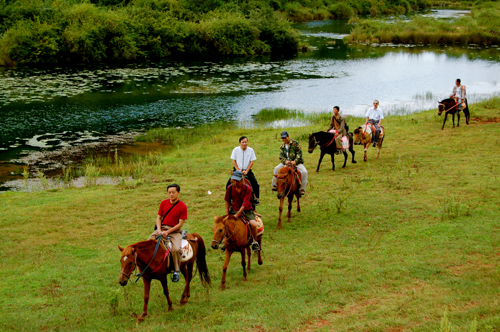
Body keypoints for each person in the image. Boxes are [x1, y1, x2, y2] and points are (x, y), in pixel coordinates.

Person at [149, 183, 187, 283]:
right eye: (169, 192)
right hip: (162, 228)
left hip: (175, 231)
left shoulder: (183, 206)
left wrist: (168, 232)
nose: (171, 194)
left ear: (178, 193)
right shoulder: (163, 203)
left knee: (175, 249)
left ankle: (176, 271)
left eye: (173, 192)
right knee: (148, 243)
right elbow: (159, 217)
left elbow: (180, 224)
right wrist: (159, 229)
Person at [225, 170, 260, 251]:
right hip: (234, 209)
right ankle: (225, 242)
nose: (236, 182)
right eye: (234, 180)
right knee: (225, 224)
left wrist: (237, 215)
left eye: (237, 180)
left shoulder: (248, 189)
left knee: (254, 224)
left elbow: (245, 204)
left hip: (247, 210)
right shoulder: (229, 188)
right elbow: (227, 200)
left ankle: (254, 242)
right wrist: (227, 213)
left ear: (242, 180)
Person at [271, 131, 308, 196]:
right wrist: (285, 161)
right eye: (282, 138)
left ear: (288, 136)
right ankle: (275, 185)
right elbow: (281, 156)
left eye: (285, 137)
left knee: (304, 172)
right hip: (286, 163)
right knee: (276, 168)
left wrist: (295, 161)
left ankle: (302, 188)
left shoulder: (295, 143)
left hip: (296, 163)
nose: (284, 139)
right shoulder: (282, 146)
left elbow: (299, 153)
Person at [226, 136, 260, 206]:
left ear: (247, 142)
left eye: (245, 142)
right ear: (239, 143)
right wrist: (238, 170)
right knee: (228, 184)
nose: (244, 143)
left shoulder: (251, 150)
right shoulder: (235, 150)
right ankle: (229, 198)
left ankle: (256, 198)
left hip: (247, 170)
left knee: (255, 184)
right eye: (243, 142)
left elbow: (252, 162)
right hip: (237, 170)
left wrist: (246, 171)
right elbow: (234, 161)